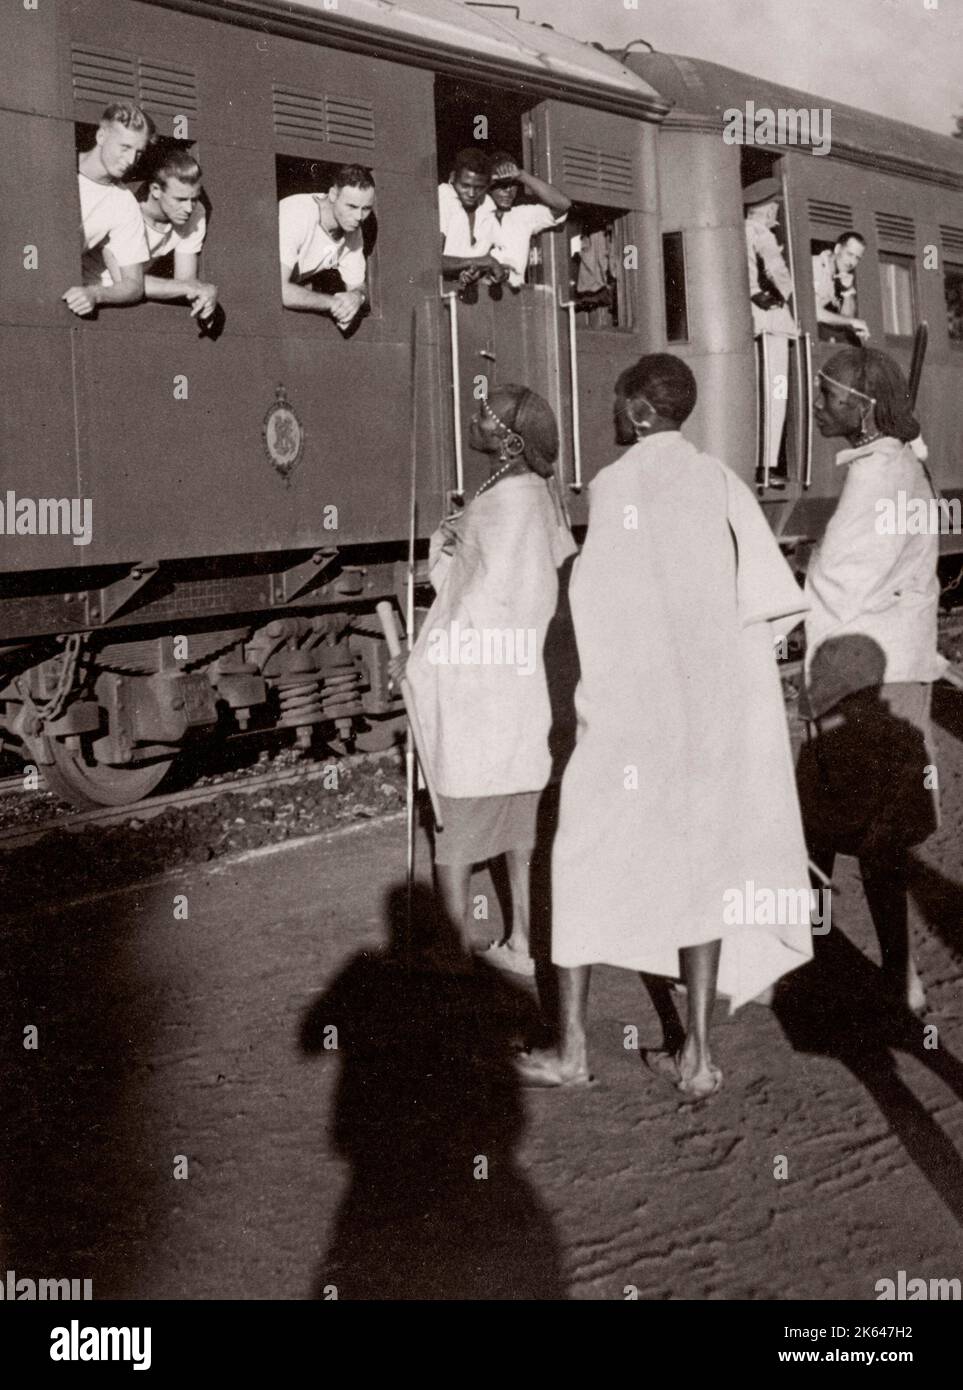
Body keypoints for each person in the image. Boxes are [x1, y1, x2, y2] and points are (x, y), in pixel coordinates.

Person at [516, 354, 813, 1096]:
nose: (613, 413)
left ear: (641, 413)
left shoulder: (618, 486)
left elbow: (595, 608)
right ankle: (697, 1058)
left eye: (620, 402)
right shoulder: (717, 480)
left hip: (629, 723)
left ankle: (572, 1052)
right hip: (706, 721)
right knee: (699, 872)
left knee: (577, 866)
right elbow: (766, 605)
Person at [396, 385, 576, 975]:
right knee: (520, 822)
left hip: (476, 684)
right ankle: (523, 941)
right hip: (520, 681)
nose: (475, 420)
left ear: (509, 439)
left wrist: (421, 662)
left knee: (457, 826)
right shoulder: (541, 498)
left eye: (486, 416)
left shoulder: (495, 504)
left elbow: (462, 596)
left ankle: (452, 953)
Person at [797, 348, 946, 1016]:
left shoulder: (874, 479)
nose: (818, 406)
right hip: (896, 671)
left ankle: (830, 961)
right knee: (873, 837)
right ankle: (896, 977)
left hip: (859, 679)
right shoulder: (900, 468)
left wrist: (808, 565)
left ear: (859, 410)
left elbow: (841, 578)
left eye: (828, 397)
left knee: (824, 825)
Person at [64, 103, 153, 317]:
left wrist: (95, 294)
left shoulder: (123, 202)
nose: (131, 160)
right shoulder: (59, 164)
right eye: (124, 147)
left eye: (138, 152)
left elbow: (133, 284)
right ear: (101, 136)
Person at [115, 148, 217, 323]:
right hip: (94, 292)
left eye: (194, 199)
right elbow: (126, 282)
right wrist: (195, 288)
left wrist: (202, 292)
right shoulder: (124, 204)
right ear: (155, 189)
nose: (189, 209)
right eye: (180, 199)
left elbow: (185, 281)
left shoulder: (196, 210)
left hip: (135, 294)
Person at [744, 178, 797, 487]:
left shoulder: (738, 229)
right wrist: (791, 296)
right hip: (770, 319)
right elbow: (777, 272)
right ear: (767, 209)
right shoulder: (761, 232)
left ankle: (757, 460)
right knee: (775, 393)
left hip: (752, 319)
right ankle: (767, 464)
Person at [278, 165, 374, 329]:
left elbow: (357, 285)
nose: (359, 217)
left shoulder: (352, 228)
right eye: (351, 206)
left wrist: (357, 297)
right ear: (333, 195)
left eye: (366, 209)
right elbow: (279, 290)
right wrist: (334, 303)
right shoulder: (297, 213)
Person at [486, 152, 570, 290]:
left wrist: (521, 175)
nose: (508, 191)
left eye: (513, 185)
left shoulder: (521, 215)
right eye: (502, 185)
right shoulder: (476, 213)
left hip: (513, 298)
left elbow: (563, 204)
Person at [438, 149, 507, 301]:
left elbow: (501, 257)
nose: (471, 193)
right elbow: (432, 260)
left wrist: (481, 271)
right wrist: (481, 262)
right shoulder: (443, 197)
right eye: (465, 185)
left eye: (479, 187)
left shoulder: (487, 205)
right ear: (452, 178)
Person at [812, 232, 870, 343]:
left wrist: (847, 290)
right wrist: (851, 321)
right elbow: (813, 312)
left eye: (857, 258)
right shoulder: (816, 265)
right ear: (838, 249)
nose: (852, 262)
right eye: (849, 254)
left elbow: (846, 318)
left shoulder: (838, 275)